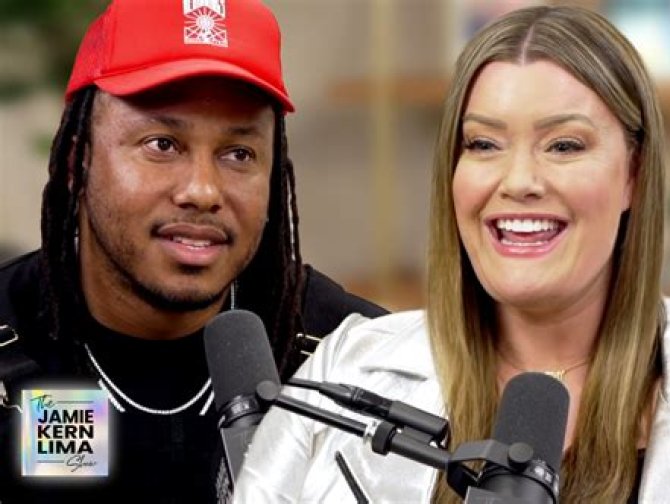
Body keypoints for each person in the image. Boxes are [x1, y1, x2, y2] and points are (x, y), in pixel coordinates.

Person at [235, 5, 670, 503]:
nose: (519, 181)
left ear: (634, 173)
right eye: (484, 144)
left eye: (564, 146)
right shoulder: (345, 368)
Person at [0, 0, 386, 502]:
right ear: (77, 163)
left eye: (239, 153)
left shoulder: (353, 365)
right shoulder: (12, 335)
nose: (203, 191)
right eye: (162, 144)